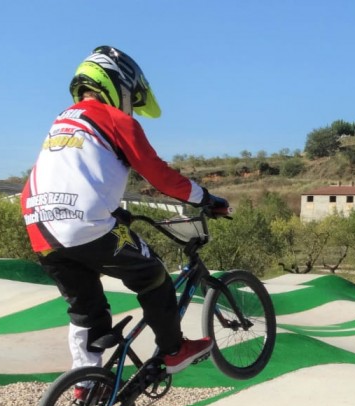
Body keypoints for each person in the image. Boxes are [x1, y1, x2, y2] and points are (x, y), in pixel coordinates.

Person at [21, 45, 230, 385]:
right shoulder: (116, 120)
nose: (130, 105)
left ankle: (84, 388)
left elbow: (67, 176)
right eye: (131, 97)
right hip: (84, 225)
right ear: (118, 85)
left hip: (40, 230)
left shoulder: (60, 123)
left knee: (86, 311)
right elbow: (158, 174)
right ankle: (173, 349)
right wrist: (204, 198)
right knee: (154, 275)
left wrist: (113, 210)